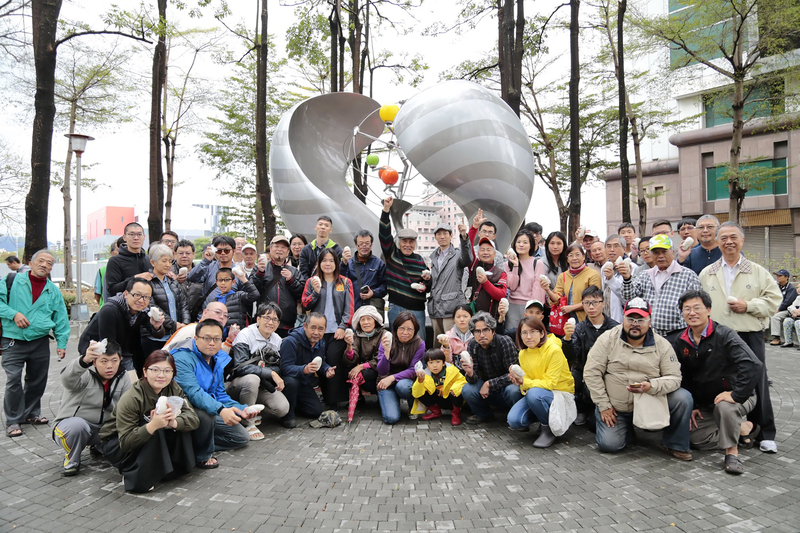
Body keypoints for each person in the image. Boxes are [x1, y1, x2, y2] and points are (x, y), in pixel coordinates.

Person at [698, 221, 781, 453]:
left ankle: (766, 433)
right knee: (721, 380)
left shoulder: (756, 271)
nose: (728, 242)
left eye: (733, 237)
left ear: (742, 240)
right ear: (717, 242)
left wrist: (750, 305)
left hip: (749, 334)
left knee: (758, 381)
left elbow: (774, 301)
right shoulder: (708, 272)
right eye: (723, 238)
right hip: (718, 337)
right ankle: (737, 428)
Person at [583, 298, 693, 460]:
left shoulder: (662, 345)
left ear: (649, 321)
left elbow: (675, 378)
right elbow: (591, 373)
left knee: (683, 397)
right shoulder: (607, 339)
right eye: (630, 319)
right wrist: (604, 405)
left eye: (641, 319)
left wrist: (652, 386)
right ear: (623, 319)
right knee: (609, 445)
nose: (635, 323)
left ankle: (675, 444)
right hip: (615, 407)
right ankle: (626, 429)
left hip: (650, 404)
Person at [673, 290, 762, 475]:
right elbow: (685, 376)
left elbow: (752, 364)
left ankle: (732, 453)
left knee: (725, 407)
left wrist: (737, 394)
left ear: (709, 310)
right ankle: (743, 428)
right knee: (696, 439)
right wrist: (694, 404)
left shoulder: (724, 334)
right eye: (686, 309)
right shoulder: (681, 341)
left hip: (738, 395)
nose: (692, 313)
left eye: (697, 308)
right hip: (708, 402)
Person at [98, 350, 199, 492]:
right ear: (145, 372)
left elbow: (193, 418)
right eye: (155, 370)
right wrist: (152, 425)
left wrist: (173, 422)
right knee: (152, 430)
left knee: (178, 425)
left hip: (143, 437)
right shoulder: (132, 398)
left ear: (173, 373)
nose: (161, 375)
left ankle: (172, 468)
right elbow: (125, 442)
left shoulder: (173, 389)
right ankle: (133, 473)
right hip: (116, 443)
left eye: (167, 371)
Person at [1, 250, 70, 437]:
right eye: (40, 261)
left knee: (37, 380)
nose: (44, 265)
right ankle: (13, 420)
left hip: (39, 341)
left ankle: (31, 413)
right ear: (30, 263)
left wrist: (62, 343)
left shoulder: (52, 290)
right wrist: (13, 314)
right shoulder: (12, 281)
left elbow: (61, 317)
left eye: (49, 263)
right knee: (13, 379)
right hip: (13, 340)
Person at [172, 320, 255, 468]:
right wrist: (221, 410)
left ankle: (193, 445)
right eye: (207, 338)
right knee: (206, 415)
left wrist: (242, 409)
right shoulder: (182, 358)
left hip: (210, 407)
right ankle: (202, 455)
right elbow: (193, 393)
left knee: (241, 438)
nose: (212, 343)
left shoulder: (217, 359)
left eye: (216, 339)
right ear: (196, 339)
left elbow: (220, 394)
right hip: (186, 409)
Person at [53, 340, 130, 476]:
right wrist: (84, 360)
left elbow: (126, 406)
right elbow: (66, 379)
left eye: (114, 360)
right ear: (94, 361)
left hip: (104, 428)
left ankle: (100, 446)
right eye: (104, 361)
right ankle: (72, 460)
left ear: (120, 360)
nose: (109, 366)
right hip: (71, 427)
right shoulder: (84, 374)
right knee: (77, 426)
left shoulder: (123, 377)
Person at [507, 317, 575, 447]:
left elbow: (550, 383)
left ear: (542, 333)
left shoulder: (554, 350)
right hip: (538, 393)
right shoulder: (523, 354)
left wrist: (525, 382)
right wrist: (519, 382)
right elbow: (527, 382)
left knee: (533, 394)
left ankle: (548, 429)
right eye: (524, 333)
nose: (528, 337)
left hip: (559, 393)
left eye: (533, 332)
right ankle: (545, 417)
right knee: (514, 420)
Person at [619, 234, 701, 343]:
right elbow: (628, 297)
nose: (660, 256)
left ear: (673, 252)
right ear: (652, 255)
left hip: (677, 334)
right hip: (649, 334)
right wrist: (627, 278)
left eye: (664, 251)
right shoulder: (645, 275)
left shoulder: (688, 276)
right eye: (656, 252)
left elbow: (696, 307)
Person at [300, 248, 354, 409]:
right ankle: (326, 396)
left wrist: (343, 326)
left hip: (337, 330)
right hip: (317, 332)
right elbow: (305, 304)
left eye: (331, 260)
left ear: (336, 263)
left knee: (334, 360)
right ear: (319, 263)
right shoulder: (312, 281)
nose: (328, 263)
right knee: (320, 361)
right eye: (324, 260)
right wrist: (316, 292)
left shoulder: (345, 282)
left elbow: (349, 308)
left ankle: (335, 398)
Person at [79, 277, 166, 375]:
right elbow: (108, 343)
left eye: (146, 297)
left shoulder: (144, 310)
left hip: (121, 350)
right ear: (126, 294)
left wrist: (157, 326)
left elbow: (157, 334)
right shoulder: (110, 310)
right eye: (137, 295)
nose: (141, 300)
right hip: (97, 350)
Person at [228, 303, 290, 440]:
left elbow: (280, 366)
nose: (270, 322)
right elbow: (240, 367)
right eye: (267, 317)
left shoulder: (277, 339)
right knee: (252, 379)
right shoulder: (245, 335)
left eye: (275, 319)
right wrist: (271, 373)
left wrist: (270, 371)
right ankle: (248, 423)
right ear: (258, 319)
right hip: (237, 383)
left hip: (263, 385)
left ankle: (253, 412)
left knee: (282, 408)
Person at [560, 286, 618, 426]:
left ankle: (595, 410)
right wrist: (567, 338)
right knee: (570, 378)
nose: (591, 307)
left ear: (603, 303)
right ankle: (580, 408)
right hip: (584, 371)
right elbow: (572, 354)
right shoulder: (580, 328)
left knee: (593, 424)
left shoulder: (614, 328)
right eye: (587, 303)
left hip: (607, 374)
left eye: (595, 302)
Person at [460, 311, 522, 424]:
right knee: (468, 389)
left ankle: (517, 417)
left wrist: (489, 384)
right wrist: (469, 373)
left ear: (493, 331)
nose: (482, 335)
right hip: (488, 391)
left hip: (507, 386)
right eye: (477, 331)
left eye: (485, 330)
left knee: (514, 390)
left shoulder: (504, 341)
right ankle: (484, 415)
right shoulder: (473, 345)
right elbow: (474, 379)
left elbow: (514, 374)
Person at [279, 312, 336, 428]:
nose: (316, 333)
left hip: (304, 384)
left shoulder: (320, 342)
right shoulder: (291, 341)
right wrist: (303, 369)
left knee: (316, 411)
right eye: (313, 328)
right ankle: (287, 416)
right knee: (291, 382)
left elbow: (321, 361)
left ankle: (294, 406)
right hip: (288, 383)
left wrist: (326, 369)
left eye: (321, 329)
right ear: (305, 326)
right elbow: (284, 368)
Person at [379, 197, 428, 328]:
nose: (407, 245)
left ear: (415, 244)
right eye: (404, 241)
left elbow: (428, 284)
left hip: (418, 309)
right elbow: (384, 235)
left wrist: (427, 281)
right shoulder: (392, 255)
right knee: (396, 343)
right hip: (396, 307)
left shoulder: (419, 259)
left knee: (419, 343)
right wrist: (386, 211)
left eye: (411, 242)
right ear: (398, 243)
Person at [251, 234, 306, 338]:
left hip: (286, 323)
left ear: (288, 251)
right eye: (276, 246)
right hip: (265, 321)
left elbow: (301, 294)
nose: (279, 249)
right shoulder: (261, 267)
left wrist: (291, 280)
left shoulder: (293, 271)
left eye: (283, 247)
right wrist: (260, 273)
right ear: (270, 249)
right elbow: (252, 290)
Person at [375, 311, 426, 424]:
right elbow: (382, 371)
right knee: (391, 418)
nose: (405, 333)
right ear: (396, 327)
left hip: (406, 382)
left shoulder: (419, 344)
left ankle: (412, 405)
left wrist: (392, 378)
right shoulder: (387, 339)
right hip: (386, 383)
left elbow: (413, 370)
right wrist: (387, 352)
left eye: (410, 329)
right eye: (402, 328)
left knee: (403, 386)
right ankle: (390, 400)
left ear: (415, 329)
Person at [427, 222, 472, 346]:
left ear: (451, 235)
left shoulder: (458, 254)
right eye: (439, 234)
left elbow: (468, 259)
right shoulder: (434, 257)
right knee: (437, 344)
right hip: (435, 307)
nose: (442, 236)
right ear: (435, 237)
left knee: (452, 343)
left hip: (451, 308)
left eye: (445, 233)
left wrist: (464, 237)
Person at [143, 244, 190, 356]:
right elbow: (152, 307)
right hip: (155, 337)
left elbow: (183, 303)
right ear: (153, 262)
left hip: (176, 335)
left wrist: (185, 324)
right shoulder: (147, 282)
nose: (168, 264)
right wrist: (174, 325)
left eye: (170, 261)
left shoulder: (172, 281)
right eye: (164, 261)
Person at [541, 244, 602, 322]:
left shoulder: (593, 274)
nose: (574, 258)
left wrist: (572, 307)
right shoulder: (563, 276)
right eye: (571, 255)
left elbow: (594, 299)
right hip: (566, 318)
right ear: (567, 259)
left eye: (577, 255)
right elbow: (556, 300)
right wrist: (547, 290)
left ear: (583, 257)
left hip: (587, 318)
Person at [505, 230, 548, 330]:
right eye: (518, 242)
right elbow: (512, 286)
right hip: (512, 307)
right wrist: (515, 265)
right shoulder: (508, 264)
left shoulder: (537, 263)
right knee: (513, 337)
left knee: (530, 336)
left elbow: (538, 289)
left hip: (530, 307)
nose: (521, 245)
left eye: (525, 242)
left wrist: (534, 310)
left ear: (531, 245)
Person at [411, 348, 467, 425]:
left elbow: (462, 381)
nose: (435, 365)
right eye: (431, 362)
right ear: (427, 365)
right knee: (421, 391)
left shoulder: (452, 371)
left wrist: (455, 389)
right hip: (437, 400)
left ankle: (456, 414)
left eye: (438, 362)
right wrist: (420, 381)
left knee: (456, 391)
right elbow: (416, 394)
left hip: (451, 399)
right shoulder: (425, 375)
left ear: (443, 363)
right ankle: (436, 412)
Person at [163, 302, 238, 353]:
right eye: (217, 312)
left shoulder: (216, 334)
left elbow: (216, 356)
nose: (222, 317)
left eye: (225, 315)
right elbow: (167, 352)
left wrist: (229, 340)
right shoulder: (191, 329)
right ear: (205, 313)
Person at [343, 305, 385, 395]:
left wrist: (361, 367)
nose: (366, 322)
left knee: (364, 374)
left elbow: (381, 359)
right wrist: (349, 345)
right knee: (347, 372)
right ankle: (358, 398)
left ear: (375, 320)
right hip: (364, 369)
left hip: (378, 370)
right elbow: (351, 358)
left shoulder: (383, 334)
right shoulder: (358, 335)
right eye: (362, 320)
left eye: (369, 319)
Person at [345, 229, 388, 314]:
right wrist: (343, 264)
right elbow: (342, 284)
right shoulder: (349, 264)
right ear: (356, 245)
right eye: (361, 243)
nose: (364, 246)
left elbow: (385, 286)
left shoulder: (379, 264)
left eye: (367, 243)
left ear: (371, 244)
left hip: (372, 309)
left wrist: (373, 293)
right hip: (353, 308)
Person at [105, 222, 152, 298]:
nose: (136, 238)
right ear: (124, 237)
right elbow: (112, 289)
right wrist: (134, 279)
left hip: (149, 306)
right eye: (131, 234)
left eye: (139, 234)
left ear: (144, 236)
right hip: (125, 307)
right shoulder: (115, 261)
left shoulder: (149, 259)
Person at [467, 237, 508, 319]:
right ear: (478, 253)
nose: (485, 252)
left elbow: (501, 294)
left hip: (491, 317)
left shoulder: (500, 273)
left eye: (489, 250)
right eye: (482, 250)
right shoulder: (473, 267)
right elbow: (468, 246)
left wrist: (485, 282)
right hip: (473, 316)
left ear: (495, 253)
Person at [601, 234, 638, 323]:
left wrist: (611, 279)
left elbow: (628, 297)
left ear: (624, 249)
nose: (612, 250)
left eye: (616, 246)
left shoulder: (631, 267)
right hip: (607, 317)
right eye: (608, 246)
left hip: (623, 318)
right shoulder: (605, 267)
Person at [171, 239, 205, 318]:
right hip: (175, 316)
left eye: (188, 253)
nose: (184, 256)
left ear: (193, 254)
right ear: (175, 254)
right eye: (181, 253)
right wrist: (175, 281)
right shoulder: (168, 272)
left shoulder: (201, 272)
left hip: (197, 316)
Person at [770, 269, 797, 346]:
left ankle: (777, 338)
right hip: (777, 308)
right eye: (777, 276)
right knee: (763, 313)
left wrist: (778, 310)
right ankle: (762, 336)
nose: (777, 277)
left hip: (788, 310)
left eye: (780, 276)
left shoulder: (791, 288)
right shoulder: (776, 287)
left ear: (786, 277)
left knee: (775, 317)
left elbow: (787, 302)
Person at [94, 240, 120, 305]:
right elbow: (97, 295)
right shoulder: (102, 271)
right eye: (118, 250)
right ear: (111, 253)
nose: (121, 252)